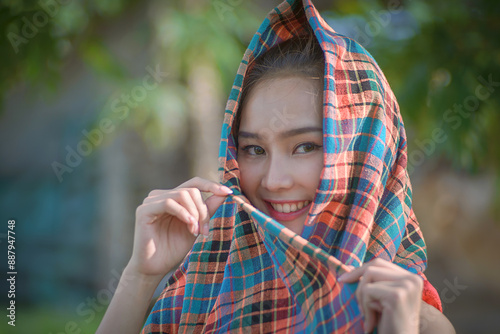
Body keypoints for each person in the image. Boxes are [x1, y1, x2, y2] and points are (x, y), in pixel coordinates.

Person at [97, 0, 455, 333]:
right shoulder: (202, 288)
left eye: (305, 147)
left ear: (365, 154)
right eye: (254, 149)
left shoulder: (406, 313)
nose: (274, 181)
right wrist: (140, 277)